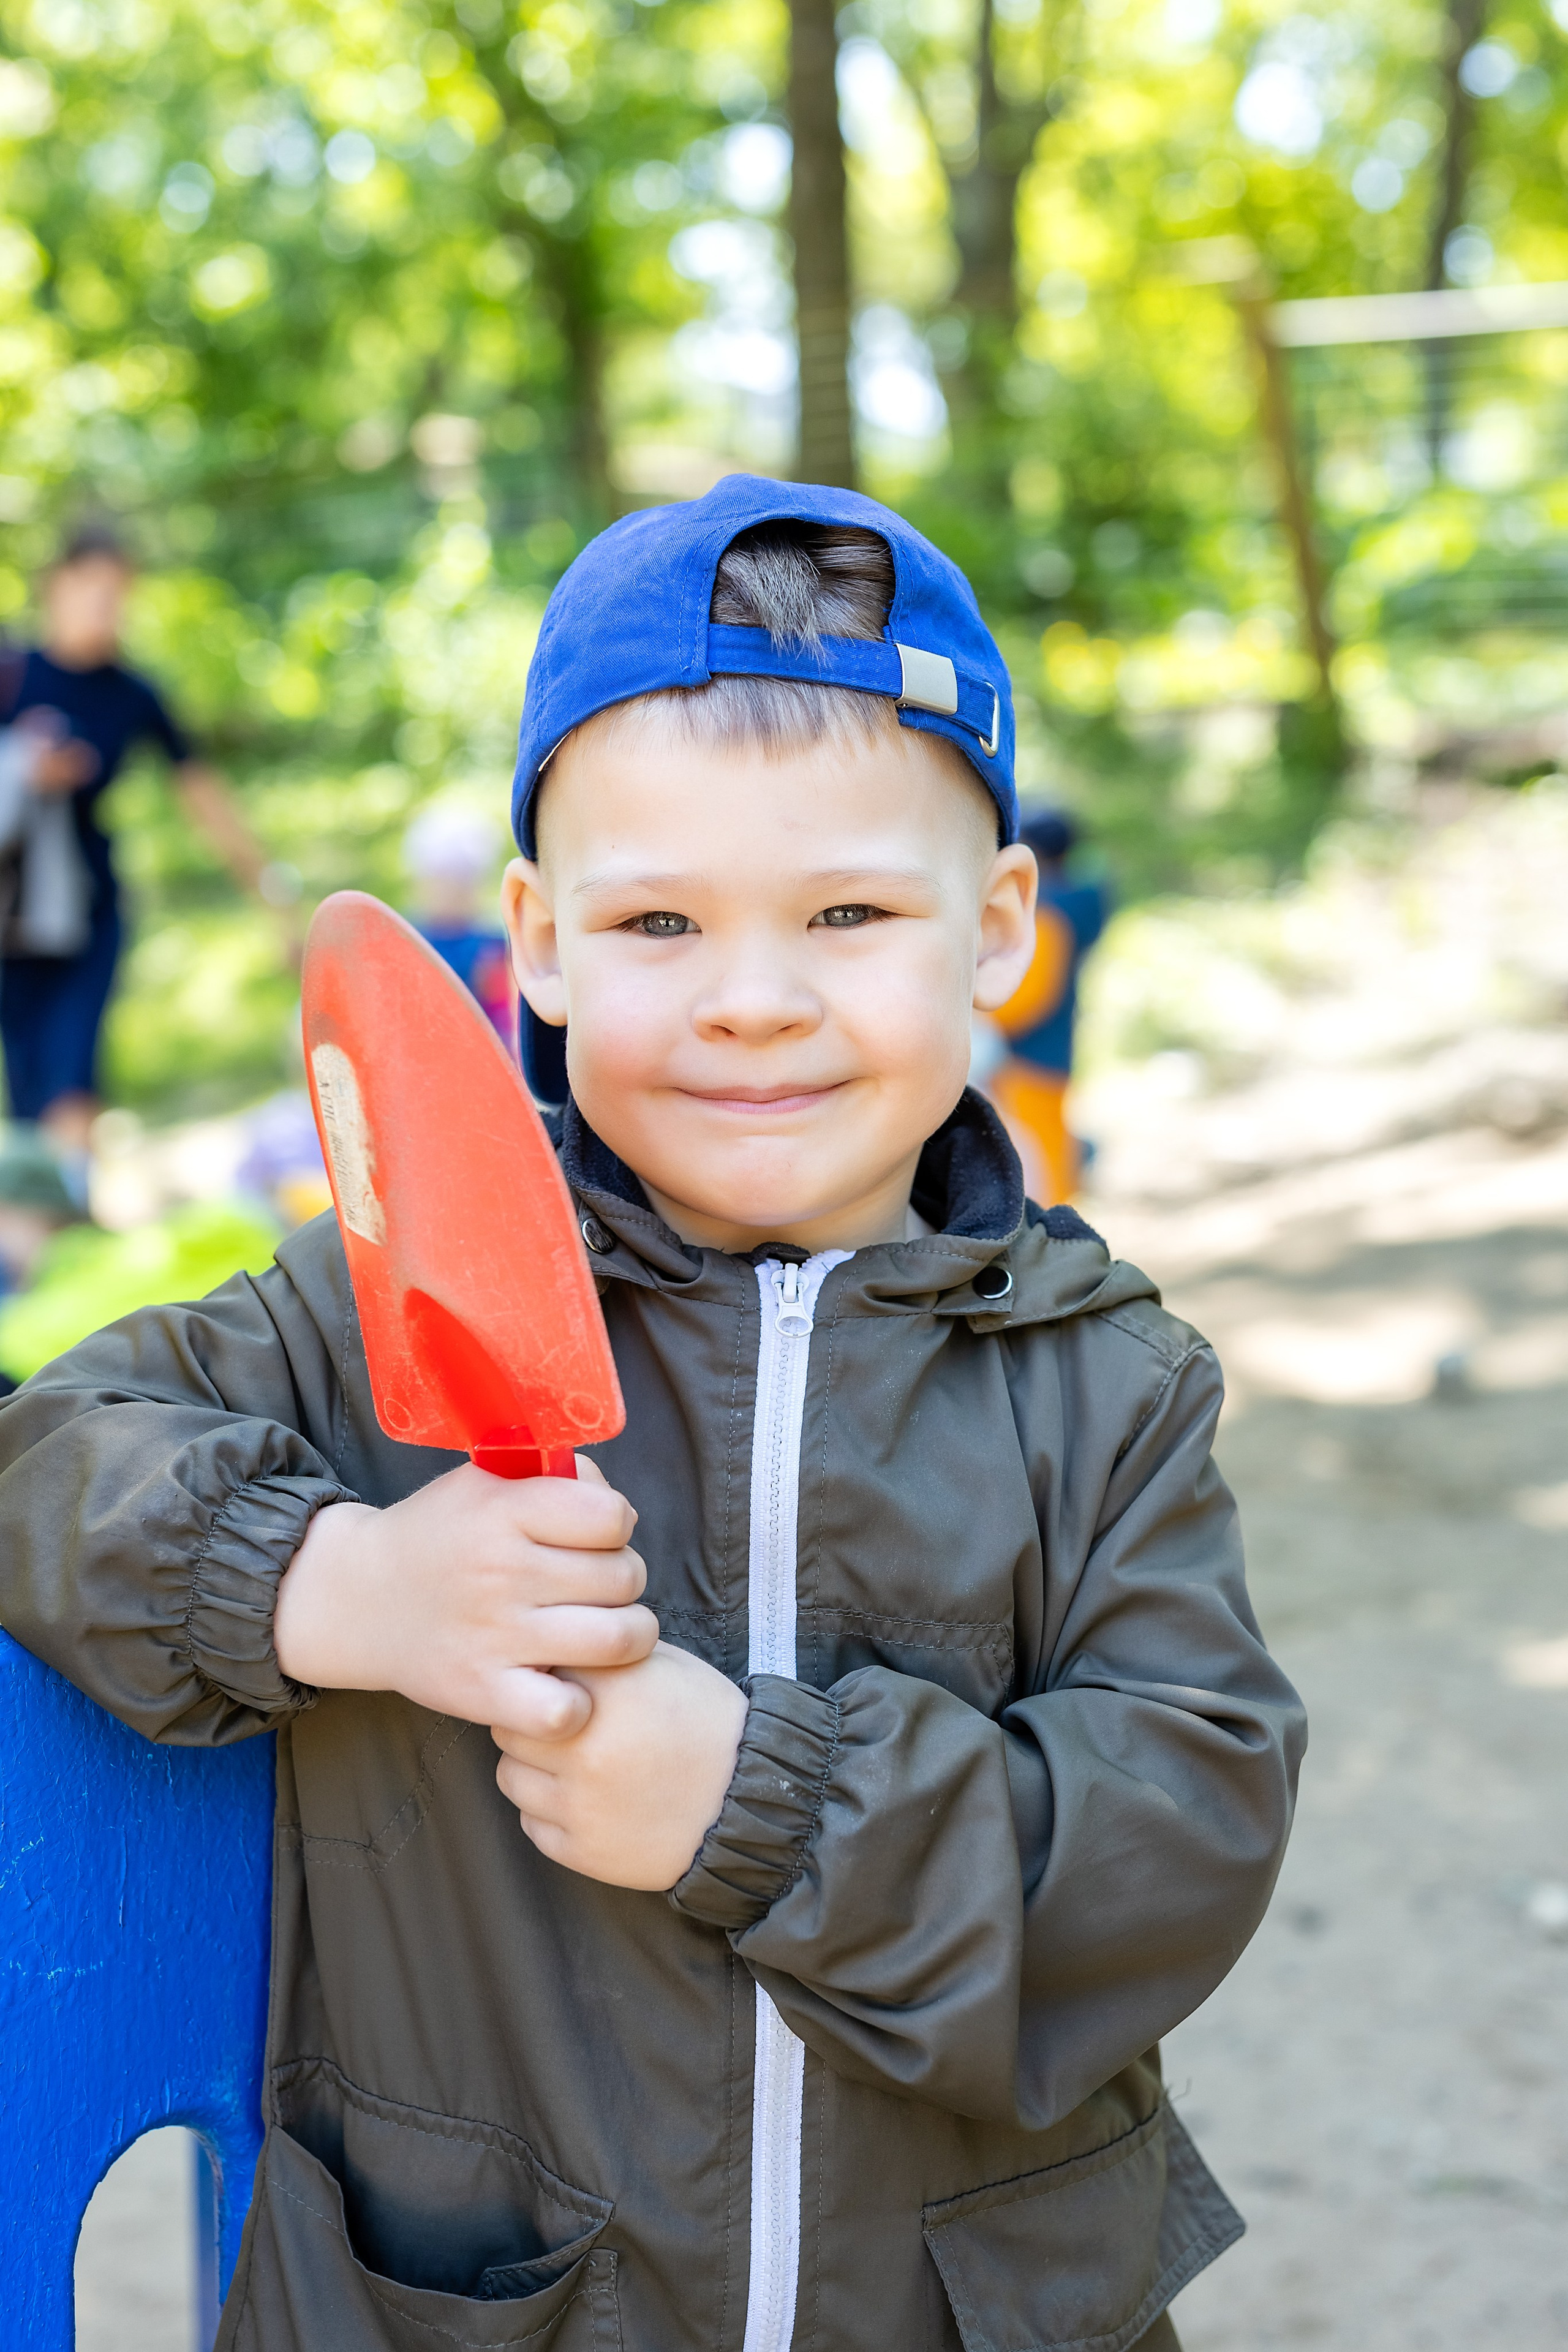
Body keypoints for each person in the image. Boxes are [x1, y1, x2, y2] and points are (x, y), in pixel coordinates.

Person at [0, 479, 1303, 2352]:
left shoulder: (1104, 1381)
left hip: (964, 2304)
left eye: (848, 910)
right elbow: (51, 1450)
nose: (752, 1001)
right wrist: (335, 1577)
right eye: (659, 920)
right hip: (486, 2294)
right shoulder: (402, 1289)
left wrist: (765, 1807)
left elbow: (1178, 1835)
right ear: (536, 939)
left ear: (999, 926)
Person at [0, 527, 278, 1196]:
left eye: (118, 593)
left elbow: (203, 794)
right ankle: (44, 1220)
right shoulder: (13, 675)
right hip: (12, 917)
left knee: (73, 1070)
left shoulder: (130, 693)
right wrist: (24, 769)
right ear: (57, 586)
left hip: (88, 909)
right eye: (93, 589)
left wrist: (270, 893)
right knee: (28, 1082)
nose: (105, 606)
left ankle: (67, 1209)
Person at [985, 807, 1109, 1205]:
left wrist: (976, 1012)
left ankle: (1051, 1237)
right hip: (1054, 1049)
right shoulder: (1079, 900)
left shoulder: (1049, 912)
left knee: (1037, 1164)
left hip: (1028, 1058)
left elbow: (1027, 997)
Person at [402, 801, 519, 1054]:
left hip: (478, 1053)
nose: (451, 890)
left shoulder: (490, 947)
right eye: (442, 878)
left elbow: (502, 1015)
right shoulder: (405, 939)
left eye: (461, 879)